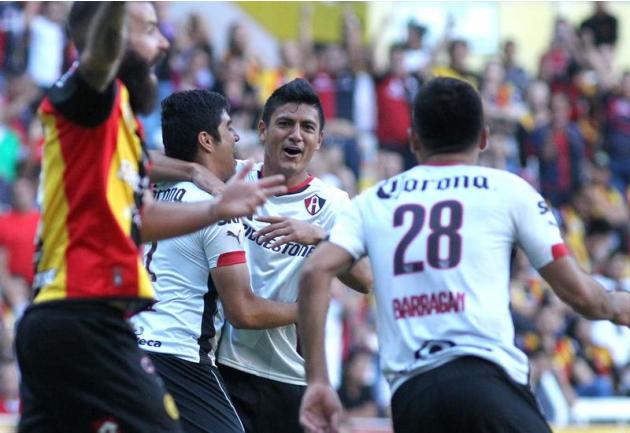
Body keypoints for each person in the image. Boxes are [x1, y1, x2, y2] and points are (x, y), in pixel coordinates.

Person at [297, 77, 630, 433]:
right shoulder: (508, 190)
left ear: (413, 139)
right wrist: (614, 305)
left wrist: (318, 380)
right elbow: (579, 293)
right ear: (484, 138)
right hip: (488, 382)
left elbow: (314, 272)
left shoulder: (372, 201)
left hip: (414, 399)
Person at [15, 3, 286, 433]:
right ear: (114, 40)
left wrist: (216, 207)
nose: (164, 42)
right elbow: (99, 50)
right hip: (87, 316)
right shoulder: (93, 94)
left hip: (52, 321)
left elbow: (136, 220)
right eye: (150, 30)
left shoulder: (117, 120)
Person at [131, 89, 299, 433]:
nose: (237, 136)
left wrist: (191, 169)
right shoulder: (216, 210)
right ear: (206, 140)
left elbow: (132, 157)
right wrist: (307, 309)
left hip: (130, 349)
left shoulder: (147, 193)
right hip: (179, 357)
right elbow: (243, 311)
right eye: (229, 127)